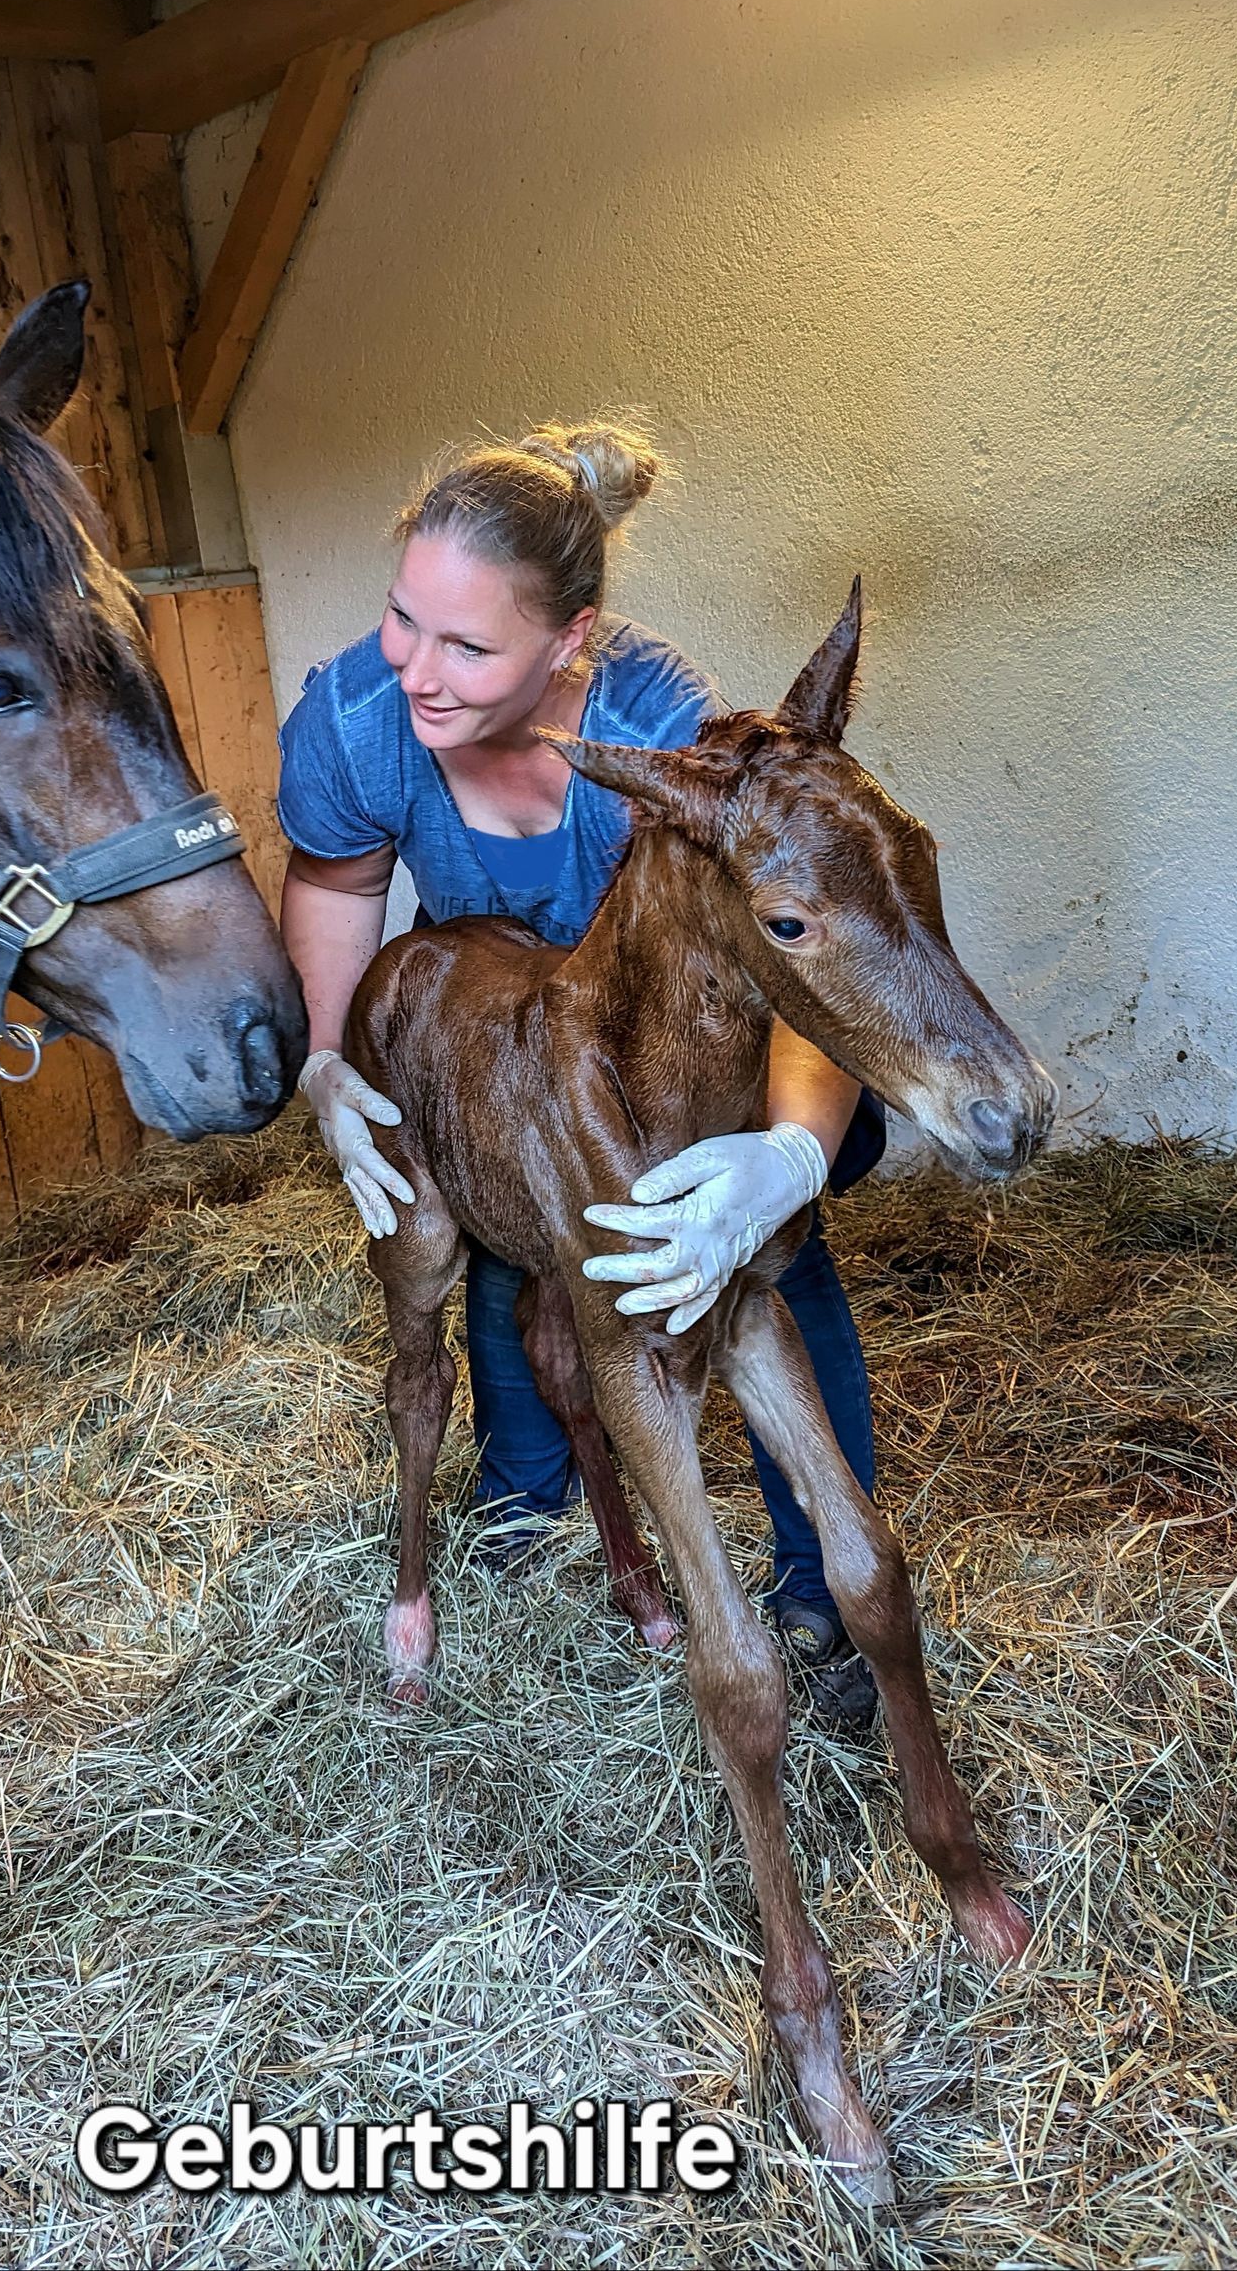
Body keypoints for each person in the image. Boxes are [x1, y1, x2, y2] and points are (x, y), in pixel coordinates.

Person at [277, 424, 885, 1730]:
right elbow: (337, 877)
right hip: (514, 1030)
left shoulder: (658, 733)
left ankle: (818, 1594)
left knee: (770, 1249)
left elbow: (802, 951)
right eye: (402, 622)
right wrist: (325, 1061)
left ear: (572, 642)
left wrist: (782, 1159)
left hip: (671, 1036)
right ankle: (527, 1502)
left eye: (467, 648)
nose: (417, 672)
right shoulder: (358, 719)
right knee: (515, 1240)